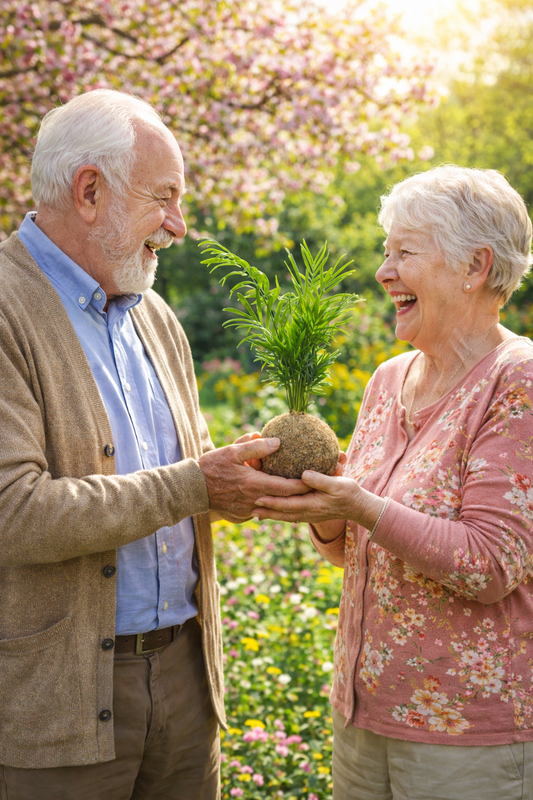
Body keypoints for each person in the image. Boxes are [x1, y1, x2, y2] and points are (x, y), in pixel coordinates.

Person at [0, 89, 307, 799]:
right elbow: (14, 511)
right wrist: (198, 484)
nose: (179, 224)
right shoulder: (8, 309)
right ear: (88, 191)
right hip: (58, 702)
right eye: (163, 197)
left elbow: (183, 479)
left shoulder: (154, 314)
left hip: (185, 680)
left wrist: (244, 480)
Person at [253, 166, 533, 800]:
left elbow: (491, 564)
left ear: (476, 265)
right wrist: (320, 506)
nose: (382, 272)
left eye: (404, 252)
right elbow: (352, 549)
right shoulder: (388, 380)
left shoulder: (517, 381)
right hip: (362, 719)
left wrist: (361, 504)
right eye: (387, 252)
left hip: (464, 739)